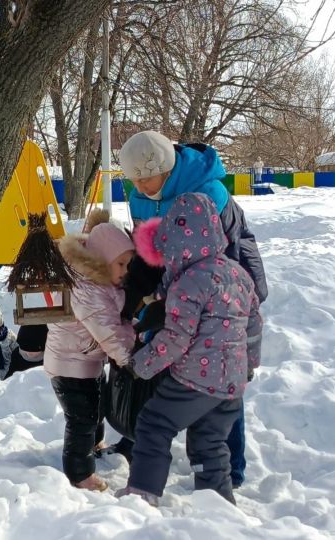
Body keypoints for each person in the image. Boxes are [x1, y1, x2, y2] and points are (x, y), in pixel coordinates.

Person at [114, 130, 268, 488]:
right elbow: (148, 250)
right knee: (157, 356)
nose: (139, 184)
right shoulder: (140, 198)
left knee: (221, 367)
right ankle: (137, 440)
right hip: (176, 287)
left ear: (165, 169)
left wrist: (207, 309)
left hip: (215, 298)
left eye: (145, 176)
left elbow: (225, 254)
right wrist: (140, 293)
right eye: (133, 178)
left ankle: (233, 465)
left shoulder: (209, 194)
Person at [44, 216, 137, 492]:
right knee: (81, 419)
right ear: (102, 259)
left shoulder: (100, 281)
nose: (125, 270)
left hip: (86, 361)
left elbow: (117, 315)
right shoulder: (87, 289)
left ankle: (94, 444)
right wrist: (129, 358)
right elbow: (107, 328)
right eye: (121, 264)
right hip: (69, 366)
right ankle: (79, 473)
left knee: (95, 409)